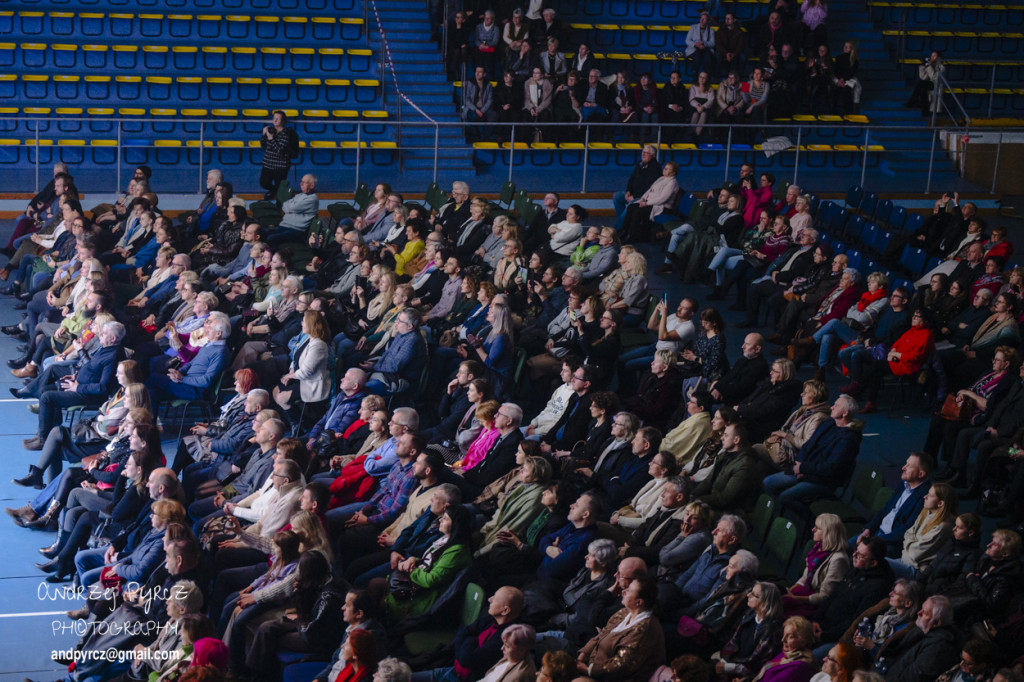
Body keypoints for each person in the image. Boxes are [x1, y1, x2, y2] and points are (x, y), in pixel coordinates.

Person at [576, 576, 666, 682]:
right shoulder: (623, 613)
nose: (623, 591)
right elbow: (601, 635)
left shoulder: (645, 629)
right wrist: (583, 655)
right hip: (591, 667)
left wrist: (588, 670)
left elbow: (621, 665)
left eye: (629, 591)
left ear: (639, 602)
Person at [782, 514, 850, 617]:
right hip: (805, 591)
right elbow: (805, 578)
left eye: (817, 528)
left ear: (828, 533)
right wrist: (790, 591)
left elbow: (825, 596)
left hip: (814, 603)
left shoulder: (838, 560)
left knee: (780, 613)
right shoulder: (818, 547)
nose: (813, 530)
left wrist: (795, 599)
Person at [881, 595, 961, 682]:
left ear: (936, 623)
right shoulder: (922, 629)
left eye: (925, 613)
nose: (918, 613)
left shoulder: (938, 649)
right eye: (921, 609)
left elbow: (912, 678)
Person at [750, 616, 816, 682]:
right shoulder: (786, 655)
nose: (783, 640)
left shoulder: (800, 667)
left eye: (790, 637)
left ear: (803, 642)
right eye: (784, 635)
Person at [259, 110, 299, 200]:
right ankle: (275, 191)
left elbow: (279, 150)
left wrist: (270, 138)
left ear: (283, 121)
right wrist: (263, 135)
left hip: (281, 165)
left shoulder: (286, 134)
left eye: (278, 119)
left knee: (279, 184)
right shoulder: (270, 130)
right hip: (268, 162)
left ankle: (282, 195)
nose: (275, 120)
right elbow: (263, 145)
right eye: (274, 118)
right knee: (264, 183)